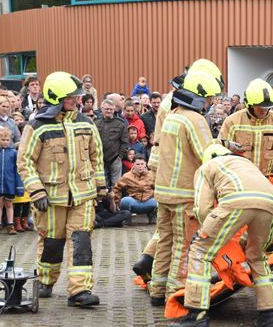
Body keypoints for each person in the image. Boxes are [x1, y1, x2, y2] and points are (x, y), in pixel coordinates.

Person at [168, 144, 273, 327]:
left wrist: (206, 232)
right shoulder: (246, 164)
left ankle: (196, 317)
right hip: (270, 203)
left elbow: (202, 208)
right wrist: (244, 240)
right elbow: (257, 201)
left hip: (235, 200)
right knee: (257, 257)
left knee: (199, 251)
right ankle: (268, 318)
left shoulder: (208, 167)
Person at [17, 71, 106, 307]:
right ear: (55, 97)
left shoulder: (86, 122)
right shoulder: (37, 125)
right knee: (52, 243)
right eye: (70, 97)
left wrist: (100, 188)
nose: (75, 100)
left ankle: (80, 291)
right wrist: (36, 191)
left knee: (81, 242)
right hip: (51, 198)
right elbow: (24, 161)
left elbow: (97, 157)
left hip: (83, 196)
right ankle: (45, 281)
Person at [134, 59, 226, 285]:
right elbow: (207, 154)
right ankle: (176, 291)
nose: (209, 104)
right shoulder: (195, 118)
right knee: (183, 244)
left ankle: (157, 287)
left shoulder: (173, 113)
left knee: (164, 239)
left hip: (164, 188)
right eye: (208, 99)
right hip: (183, 192)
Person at [219, 79, 273, 247]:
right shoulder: (232, 122)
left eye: (268, 107)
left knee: (268, 230)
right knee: (238, 232)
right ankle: (239, 266)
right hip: (239, 188)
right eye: (261, 107)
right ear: (249, 105)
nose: (265, 111)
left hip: (269, 185)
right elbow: (220, 153)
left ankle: (267, 262)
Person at [0, 127, 23, 235]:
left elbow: (17, 170)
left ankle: (10, 225)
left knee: (9, 205)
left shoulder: (14, 153)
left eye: (7, 140)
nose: (5, 142)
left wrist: (19, 186)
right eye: (3, 139)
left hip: (10, 184)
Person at [113, 154, 157, 224]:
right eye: (138, 164)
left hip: (149, 202)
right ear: (133, 164)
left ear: (146, 164)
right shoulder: (127, 176)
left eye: (142, 164)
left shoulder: (152, 175)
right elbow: (117, 188)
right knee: (125, 201)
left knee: (159, 201)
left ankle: (152, 215)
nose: (140, 166)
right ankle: (127, 216)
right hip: (134, 202)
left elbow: (158, 188)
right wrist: (117, 202)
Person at [95, 99, 129, 188]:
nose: (109, 111)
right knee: (101, 184)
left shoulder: (121, 123)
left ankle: (115, 201)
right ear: (102, 109)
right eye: (106, 109)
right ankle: (103, 202)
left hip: (115, 159)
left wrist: (119, 157)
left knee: (116, 186)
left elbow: (125, 142)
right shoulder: (96, 123)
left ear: (114, 110)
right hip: (100, 159)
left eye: (111, 109)